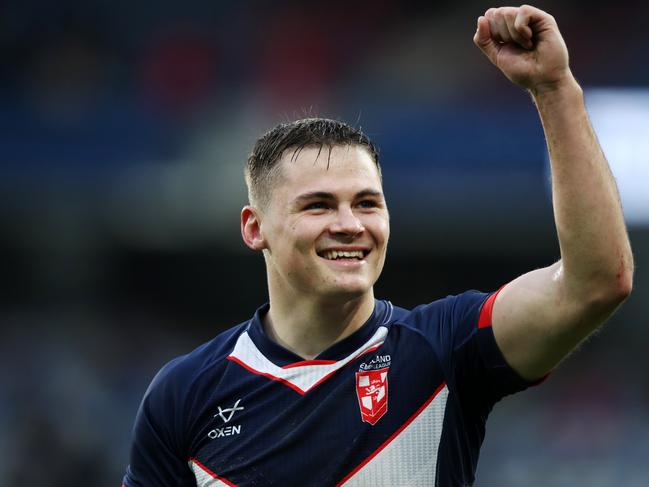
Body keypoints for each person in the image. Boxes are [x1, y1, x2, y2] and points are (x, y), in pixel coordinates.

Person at [122, 5, 633, 486]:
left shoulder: (444, 348)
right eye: (318, 205)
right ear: (254, 228)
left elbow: (594, 282)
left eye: (367, 203)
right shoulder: (184, 394)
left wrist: (554, 88)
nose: (350, 224)